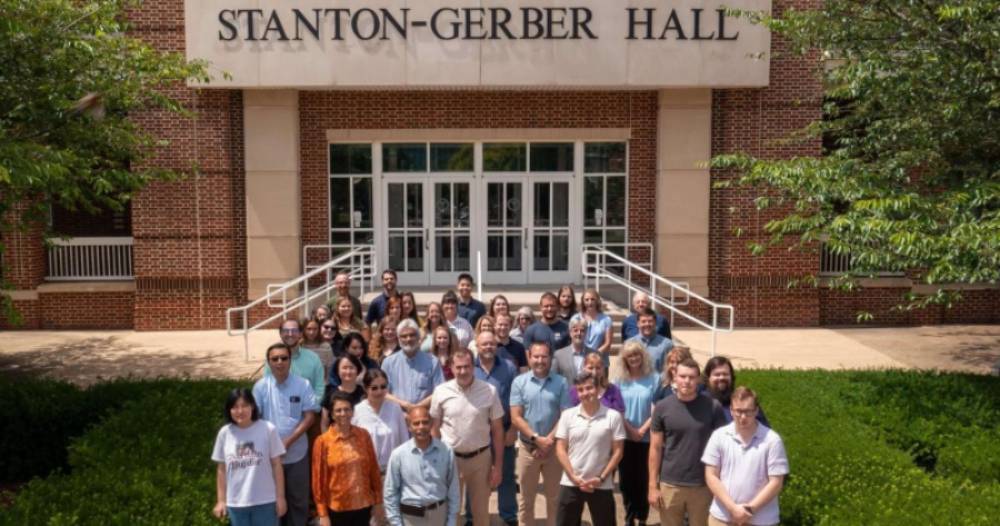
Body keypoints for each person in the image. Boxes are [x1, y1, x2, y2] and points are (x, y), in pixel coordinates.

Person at [430, 348, 504, 526]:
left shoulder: (490, 391)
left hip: (481, 460)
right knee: (451, 513)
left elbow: (497, 430)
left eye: (467, 367)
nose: (463, 371)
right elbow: (434, 429)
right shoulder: (440, 391)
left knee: (481, 514)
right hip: (450, 459)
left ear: (473, 367)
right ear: (452, 368)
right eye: (459, 367)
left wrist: (498, 467)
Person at [648, 358, 727, 526]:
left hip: (703, 485)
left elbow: (724, 448)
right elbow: (655, 448)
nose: (687, 381)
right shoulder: (662, 407)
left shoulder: (713, 407)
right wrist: (652, 486)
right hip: (670, 484)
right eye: (683, 376)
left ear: (698, 379)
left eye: (692, 377)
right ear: (674, 377)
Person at [253, 343, 320, 526]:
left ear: (290, 361)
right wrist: (272, 445)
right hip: (270, 458)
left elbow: (309, 417)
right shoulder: (260, 387)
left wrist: (288, 442)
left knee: (298, 501)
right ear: (268, 362)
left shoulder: (303, 385)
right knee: (273, 502)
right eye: (275, 359)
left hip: (297, 454)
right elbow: (255, 420)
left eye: (284, 358)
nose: (280, 362)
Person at [702, 387, 788, 526]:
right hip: (722, 517)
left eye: (748, 411)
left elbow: (776, 482)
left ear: (756, 411)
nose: (743, 417)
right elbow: (711, 476)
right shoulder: (719, 436)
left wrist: (749, 510)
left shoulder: (772, 440)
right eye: (738, 411)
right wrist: (732, 508)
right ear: (731, 410)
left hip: (761, 520)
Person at [510, 342, 572, 526]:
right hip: (527, 450)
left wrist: (548, 441)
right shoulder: (519, 382)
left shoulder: (561, 382)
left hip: (553, 451)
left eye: (544, 356)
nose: (540, 360)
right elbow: (516, 417)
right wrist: (537, 439)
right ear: (529, 357)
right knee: (526, 501)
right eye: (536, 356)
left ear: (550, 358)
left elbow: (565, 415)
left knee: (554, 500)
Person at [554, 372, 625, 526]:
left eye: (589, 388)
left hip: (601, 483)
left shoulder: (613, 416)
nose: (585, 393)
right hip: (571, 483)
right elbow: (560, 448)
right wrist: (572, 475)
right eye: (580, 390)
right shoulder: (567, 415)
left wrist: (601, 478)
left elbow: (618, 451)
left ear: (598, 389)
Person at [211, 388, 287, 526]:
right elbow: (221, 469)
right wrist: (221, 500)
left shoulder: (268, 429)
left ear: (252, 406)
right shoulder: (224, 433)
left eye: (244, 406)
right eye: (235, 407)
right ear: (229, 410)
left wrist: (280, 497)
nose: (240, 411)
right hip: (236, 505)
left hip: (266, 502)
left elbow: (277, 465)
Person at [312, 391, 383, 526]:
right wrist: (323, 514)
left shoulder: (363, 436)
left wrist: (378, 501)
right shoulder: (323, 442)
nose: (343, 413)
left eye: (347, 409)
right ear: (332, 414)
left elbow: (373, 470)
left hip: (363, 507)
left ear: (352, 411)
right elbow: (318, 482)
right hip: (337, 509)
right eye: (338, 410)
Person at [384, 406, 460, 526]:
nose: (421, 427)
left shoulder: (446, 451)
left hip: (439, 515)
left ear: (431, 424)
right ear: (409, 427)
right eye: (416, 423)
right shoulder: (398, 454)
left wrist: (452, 521)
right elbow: (390, 492)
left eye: (425, 422)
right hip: (410, 518)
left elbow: (453, 489)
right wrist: (396, 523)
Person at [472, 331, 519, 526]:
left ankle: (508, 516)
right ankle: (471, 517)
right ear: (477, 345)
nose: (488, 347)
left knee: (506, 476)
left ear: (497, 345)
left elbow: (517, 399)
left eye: (492, 344)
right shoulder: (470, 369)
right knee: (475, 480)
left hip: (504, 431)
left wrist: (513, 430)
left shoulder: (508, 367)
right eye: (484, 344)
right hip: (477, 434)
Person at [614, 341, 660, 526]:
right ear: (625, 359)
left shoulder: (654, 378)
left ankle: (642, 517)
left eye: (637, 355)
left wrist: (642, 429)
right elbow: (617, 409)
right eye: (630, 356)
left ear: (643, 356)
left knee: (643, 479)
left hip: (646, 437)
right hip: (625, 436)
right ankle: (629, 516)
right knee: (626, 481)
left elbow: (656, 408)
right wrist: (630, 430)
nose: (634, 359)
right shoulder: (619, 380)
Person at [383, 318, 445, 412]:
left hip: (425, 417)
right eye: (404, 336)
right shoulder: (388, 363)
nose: (408, 339)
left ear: (418, 337)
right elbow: (384, 392)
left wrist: (418, 407)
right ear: (398, 339)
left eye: (412, 335)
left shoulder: (433, 361)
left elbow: (440, 390)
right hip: (397, 415)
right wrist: (404, 405)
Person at [353, 369, 408, 474]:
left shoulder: (395, 408)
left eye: (383, 387)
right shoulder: (358, 410)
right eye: (374, 388)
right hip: (366, 472)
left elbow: (404, 439)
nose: (379, 391)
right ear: (365, 388)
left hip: (392, 471)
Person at [265, 319, 326, 403]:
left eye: (294, 330)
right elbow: (268, 387)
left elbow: (319, 388)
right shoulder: (273, 359)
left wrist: (311, 408)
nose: (290, 334)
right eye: (286, 331)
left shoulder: (314, 358)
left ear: (300, 334)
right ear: (281, 334)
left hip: (308, 410)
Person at [704, 356, 771, 427]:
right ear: (708, 378)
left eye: (725, 374)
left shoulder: (744, 400)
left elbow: (765, 431)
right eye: (717, 375)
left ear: (732, 377)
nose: (721, 377)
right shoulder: (700, 402)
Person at [321, 354, 367, 431]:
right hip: (334, 439)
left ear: (357, 370)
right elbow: (324, 422)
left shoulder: (364, 393)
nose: (348, 372)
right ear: (338, 371)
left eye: (351, 368)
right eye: (344, 368)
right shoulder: (330, 392)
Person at [570, 289, 613, 365]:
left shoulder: (606, 319)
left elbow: (608, 343)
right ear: (583, 301)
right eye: (587, 300)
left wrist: (594, 354)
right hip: (581, 360)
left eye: (592, 299)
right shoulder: (576, 318)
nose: (590, 302)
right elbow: (572, 339)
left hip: (600, 360)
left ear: (597, 301)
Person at [626, 308, 673, 374]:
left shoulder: (667, 344)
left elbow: (670, 369)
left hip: (659, 383)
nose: (647, 324)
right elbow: (624, 367)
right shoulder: (629, 343)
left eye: (650, 321)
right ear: (638, 324)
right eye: (643, 321)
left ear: (655, 323)